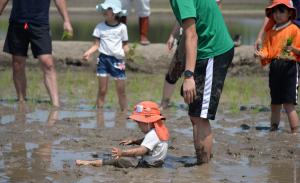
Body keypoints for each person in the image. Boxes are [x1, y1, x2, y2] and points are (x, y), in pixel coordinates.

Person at [169, 0, 234, 164]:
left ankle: (204, 169)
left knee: (200, 116)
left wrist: (189, 75)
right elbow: (188, 31)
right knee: (194, 113)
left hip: (213, 50)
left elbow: (191, 35)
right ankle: (201, 159)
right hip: (203, 51)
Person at [160, 0, 240, 109]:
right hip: (190, 36)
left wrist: (188, 76)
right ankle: (165, 102)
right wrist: (173, 35)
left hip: (206, 43)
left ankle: (192, 97)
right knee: (174, 69)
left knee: (198, 110)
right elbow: (185, 15)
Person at [0, 0, 73, 107]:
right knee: (17, 64)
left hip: (40, 23)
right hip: (17, 22)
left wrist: (66, 21)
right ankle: (21, 101)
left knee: (48, 63)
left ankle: (56, 105)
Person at [76, 101, 170, 168]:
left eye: (139, 123)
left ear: (149, 122)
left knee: (115, 160)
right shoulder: (159, 130)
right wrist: (134, 141)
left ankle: (87, 163)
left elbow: (141, 151)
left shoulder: (152, 135)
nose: (138, 126)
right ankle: (90, 162)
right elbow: (149, 142)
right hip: (156, 164)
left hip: (147, 166)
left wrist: (122, 153)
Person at [254, 0, 300, 134]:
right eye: (274, 11)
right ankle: (273, 129)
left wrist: (293, 49)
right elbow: (267, 51)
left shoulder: (294, 30)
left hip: (290, 67)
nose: (277, 14)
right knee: (275, 103)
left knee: (288, 103)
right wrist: (260, 54)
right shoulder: (270, 32)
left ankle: (295, 131)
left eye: (281, 11)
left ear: (290, 13)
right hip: (275, 67)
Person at [82, 0, 129, 111]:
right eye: (104, 9)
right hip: (103, 60)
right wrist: (88, 52)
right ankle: (99, 114)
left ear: (115, 12)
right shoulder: (99, 27)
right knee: (102, 90)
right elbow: (96, 45)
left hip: (118, 60)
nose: (104, 11)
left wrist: (129, 53)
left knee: (121, 90)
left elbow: (125, 45)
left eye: (107, 9)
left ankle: (124, 114)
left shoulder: (122, 28)